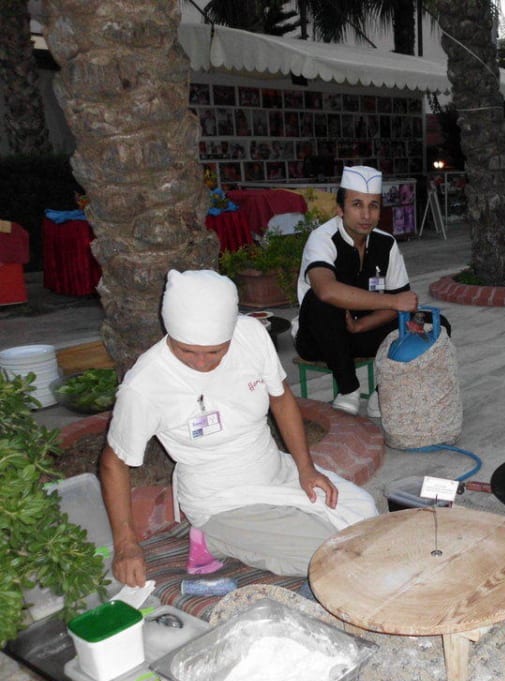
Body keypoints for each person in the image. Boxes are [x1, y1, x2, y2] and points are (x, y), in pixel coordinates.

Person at [100, 269, 378, 586]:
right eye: (186, 351)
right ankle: (210, 536)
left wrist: (306, 468)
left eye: (215, 352)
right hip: (220, 501)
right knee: (329, 555)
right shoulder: (146, 383)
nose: (200, 363)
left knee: (365, 516)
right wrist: (125, 544)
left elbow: (281, 398)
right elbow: (114, 462)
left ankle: (249, 533)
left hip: (276, 472)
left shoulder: (250, 334)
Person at [295, 165, 450, 417]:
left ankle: (384, 391)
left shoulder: (385, 243)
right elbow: (325, 290)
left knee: (434, 324)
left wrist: (362, 325)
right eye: (357, 204)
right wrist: (391, 301)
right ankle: (348, 388)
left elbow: (401, 305)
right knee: (319, 300)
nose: (365, 214)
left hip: (363, 333)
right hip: (321, 338)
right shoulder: (322, 238)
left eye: (373, 205)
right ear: (340, 209)